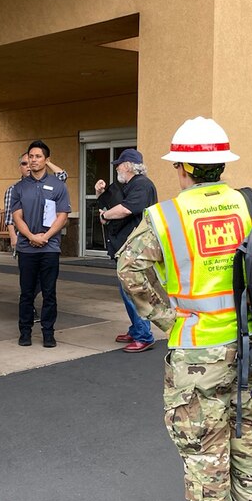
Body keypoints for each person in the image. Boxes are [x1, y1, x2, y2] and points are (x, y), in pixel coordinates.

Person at [118, 116, 252, 501]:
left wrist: (168, 318)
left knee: (203, 450)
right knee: (248, 439)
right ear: (221, 163)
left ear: (184, 166)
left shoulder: (165, 216)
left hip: (198, 351)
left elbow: (131, 270)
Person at [94, 148, 158, 352]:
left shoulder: (142, 185)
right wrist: (99, 192)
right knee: (127, 291)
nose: (116, 169)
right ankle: (136, 328)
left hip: (136, 248)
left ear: (128, 166)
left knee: (133, 291)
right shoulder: (125, 185)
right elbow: (106, 203)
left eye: (119, 165)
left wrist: (105, 217)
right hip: (125, 247)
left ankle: (144, 335)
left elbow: (126, 209)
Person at [11, 140, 71, 348]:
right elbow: (17, 217)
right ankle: (25, 332)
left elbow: (62, 216)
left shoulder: (58, 185)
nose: (33, 160)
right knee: (26, 292)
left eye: (37, 156)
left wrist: (45, 237)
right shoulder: (19, 187)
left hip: (50, 248)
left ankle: (48, 333)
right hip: (27, 248)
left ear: (46, 160)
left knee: (49, 292)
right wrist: (31, 237)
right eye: (30, 156)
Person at [4, 152, 67, 319]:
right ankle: (28, 310)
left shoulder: (53, 183)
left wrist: (47, 162)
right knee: (27, 283)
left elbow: (63, 175)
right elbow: (12, 217)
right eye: (24, 163)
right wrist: (15, 237)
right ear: (20, 167)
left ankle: (43, 323)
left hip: (48, 241)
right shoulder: (16, 189)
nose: (29, 164)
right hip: (25, 240)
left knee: (46, 285)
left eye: (34, 159)